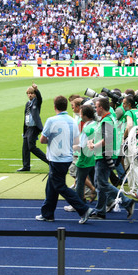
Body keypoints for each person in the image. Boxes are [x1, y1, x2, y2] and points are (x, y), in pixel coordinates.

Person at [36, 95, 92, 224]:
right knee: (51, 185)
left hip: (56, 158)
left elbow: (42, 140)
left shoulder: (51, 120)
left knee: (60, 186)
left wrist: (53, 139)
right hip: (67, 157)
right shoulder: (73, 121)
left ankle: (83, 209)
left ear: (55, 107)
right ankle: (48, 214)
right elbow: (76, 141)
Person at [87, 97, 135, 220]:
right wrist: (94, 140)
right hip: (106, 154)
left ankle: (126, 201)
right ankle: (100, 211)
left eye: (96, 107)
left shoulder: (106, 120)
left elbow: (107, 139)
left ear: (101, 108)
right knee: (101, 183)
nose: (95, 109)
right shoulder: (108, 119)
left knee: (101, 184)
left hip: (104, 155)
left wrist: (94, 145)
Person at [18, 83, 49, 172]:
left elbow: (40, 98)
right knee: (25, 147)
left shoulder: (36, 102)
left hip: (34, 127)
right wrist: (24, 130)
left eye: (31, 93)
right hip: (27, 128)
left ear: (34, 94)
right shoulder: (27, 104)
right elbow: (25, 116)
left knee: (31, 147)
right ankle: (26, 166)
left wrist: (36, 90)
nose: (30, 95)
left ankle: (49, 161)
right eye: (28, 93)